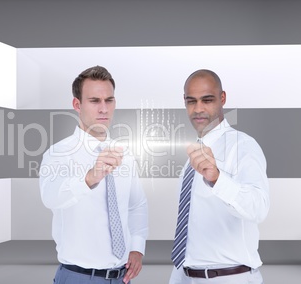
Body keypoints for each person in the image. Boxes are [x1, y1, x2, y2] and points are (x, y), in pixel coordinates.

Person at [40, 65, 148, 284]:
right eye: (94, 101)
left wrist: (137, 248)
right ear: (77, 105)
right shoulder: (59, 153)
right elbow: (50, 197)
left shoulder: (124, 154)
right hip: (77, 277)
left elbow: (136, 204)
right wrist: (89, 178)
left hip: (121, 277)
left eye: (109, 100)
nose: (103, 109)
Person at [169, 69, 270, 284]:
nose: (198, 109)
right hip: (186, 275)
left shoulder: (243, 146)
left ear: (222, 98)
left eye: (207, 100)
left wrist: (217, 179)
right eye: (191, 101)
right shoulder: (193, 156)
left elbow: (258, 207)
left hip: (229, 277)